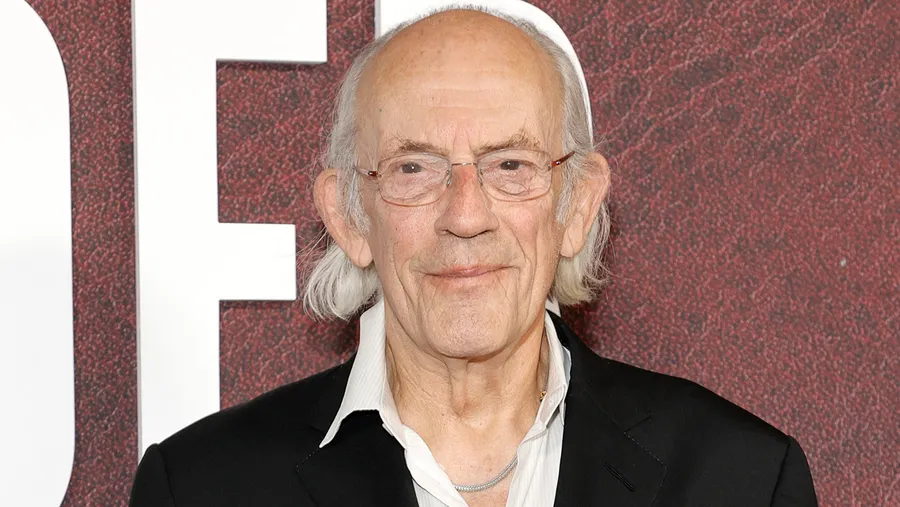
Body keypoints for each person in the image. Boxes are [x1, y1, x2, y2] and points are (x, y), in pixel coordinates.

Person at [129, 6, 818, 507]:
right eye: (414, 168)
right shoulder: (201, 488)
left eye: (511, 164)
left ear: (576, 206)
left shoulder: (742, 481)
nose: (465, 216)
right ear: (350, 216)